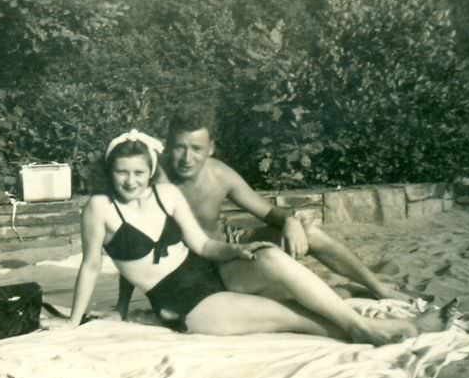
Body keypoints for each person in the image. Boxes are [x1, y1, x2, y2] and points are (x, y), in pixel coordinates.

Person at [42, 129, 431, 345]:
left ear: (150, 172)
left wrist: (239, 250)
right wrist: (75, 321)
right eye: (122, 173)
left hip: (215, 272)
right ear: (109, 173)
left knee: (273, 259)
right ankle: (361, 328)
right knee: (297, 319)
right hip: (188, 303)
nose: (131, 181)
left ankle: (362, 313)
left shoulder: (167, 194)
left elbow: (203, 246)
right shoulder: (98, 208)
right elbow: (92, 266)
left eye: (139, 173)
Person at [115, 104, 413, 321]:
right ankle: (344, 291)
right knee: (301, 296)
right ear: (167, 146)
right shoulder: (152, 179)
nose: (187, 157)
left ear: (211, 148)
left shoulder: (221, 176)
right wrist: (121, 307)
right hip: (201, 273)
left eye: (196, 148)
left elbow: (268, 212)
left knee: (307, 232)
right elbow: (131, 244)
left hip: (230, 252)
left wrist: (291, 222)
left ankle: (378, 287)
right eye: (179, 147)